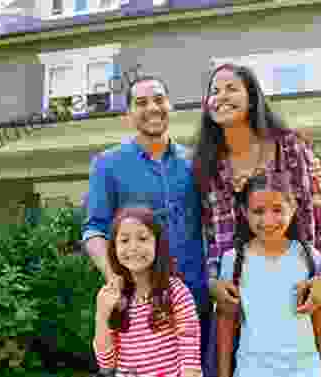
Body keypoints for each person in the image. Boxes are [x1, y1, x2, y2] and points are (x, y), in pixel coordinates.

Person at [191, 63, 321, 375]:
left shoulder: (290, 147)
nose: (221, 97)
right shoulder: (207, 164)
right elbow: (211, 237)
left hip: (298, 289)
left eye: (231, 88)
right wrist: (214, 281)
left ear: (252, 97)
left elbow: (320, 220)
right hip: (240, 299)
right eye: (214, 91)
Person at [83, 76, 212, 373]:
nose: (152, 107)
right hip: (138, 305)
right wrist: (115, 278)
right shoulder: (107, 164)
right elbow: (94, 230)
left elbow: (217, 220)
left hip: (194, 299)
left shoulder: (195, 162)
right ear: (128, 114)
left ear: (170, 106)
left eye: (158, 99)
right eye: (141, 102)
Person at [216, 175, 321, 377]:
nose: (268, 220)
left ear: (294, 208)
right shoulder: (232, 260)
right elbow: (226, 327)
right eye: (258, 212)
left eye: (278, 210)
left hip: (305, 371)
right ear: (244, 213)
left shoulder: (309, 257)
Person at [94, 206, 202, 377]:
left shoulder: (175, 292)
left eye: (143, 238)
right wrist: (102, 315)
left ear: (157, 244)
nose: (133, 247)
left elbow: (190, 352)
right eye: (124, 240)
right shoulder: (113, 297)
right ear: (113, 248)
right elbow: (106, 363)